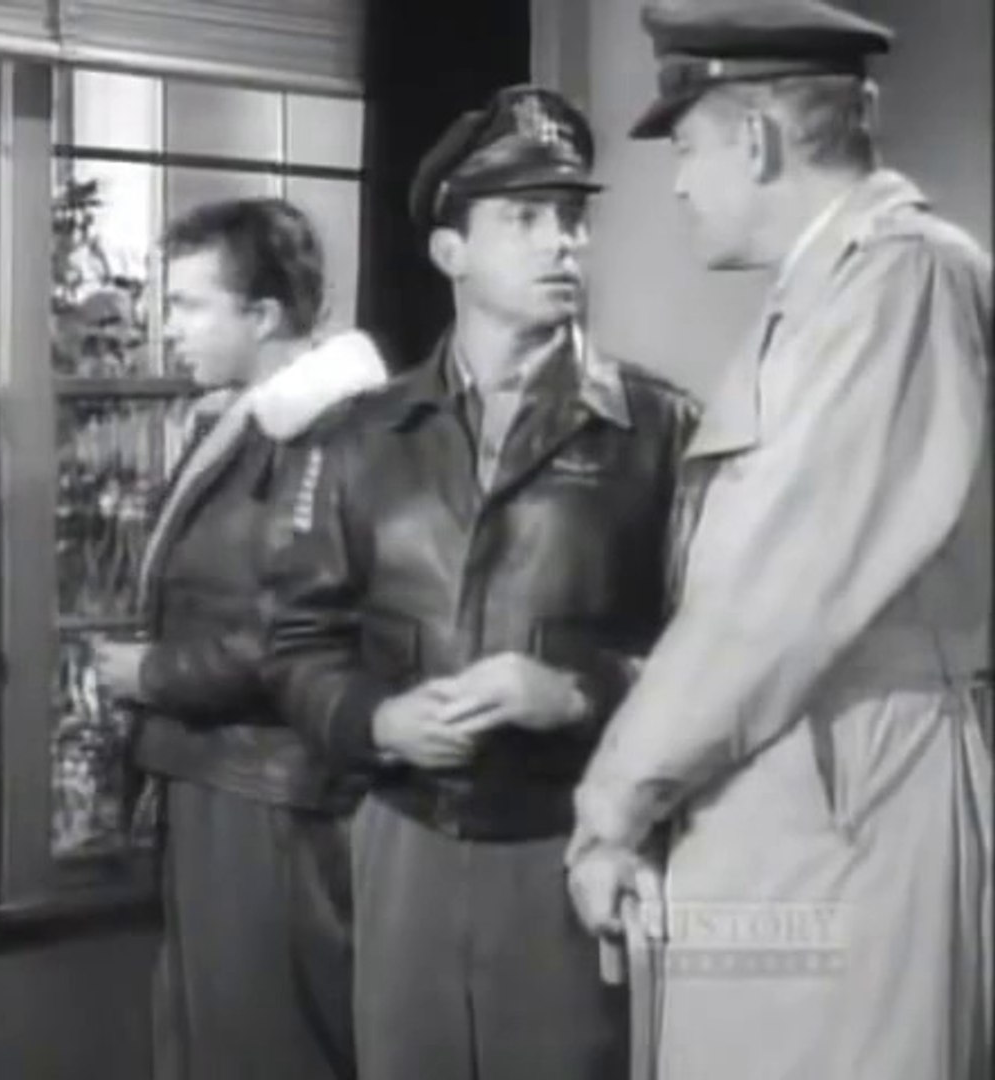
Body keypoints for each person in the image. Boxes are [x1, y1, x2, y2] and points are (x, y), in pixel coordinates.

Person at [566, 4, 993, 1079]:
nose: (676, 185)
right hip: (804, 794)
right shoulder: (836, 291)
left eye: (687, 148)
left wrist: (614, 802)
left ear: (755, 140)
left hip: (850, 802)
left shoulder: (899, 282)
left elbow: (770, 595)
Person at [259, 85, 699, 1080]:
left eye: (572, 217)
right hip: (403, 840)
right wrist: (376, 719)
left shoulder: (660, 431)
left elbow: (715, 650)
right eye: (526, 218)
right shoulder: (361, 438)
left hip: (574, 841)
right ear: (450, 250)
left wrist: (580, 692)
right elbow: (295, 643)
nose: (563, 243)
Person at [91, 197, 387, 1080]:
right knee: (210, 1036)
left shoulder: (325, 435)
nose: (168, 327)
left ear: (262, 315)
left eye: (190, 305)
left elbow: (298, 629)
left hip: (269, 787)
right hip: (220, 775)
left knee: (262, 1042)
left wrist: (152, 672)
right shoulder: (248, 424)